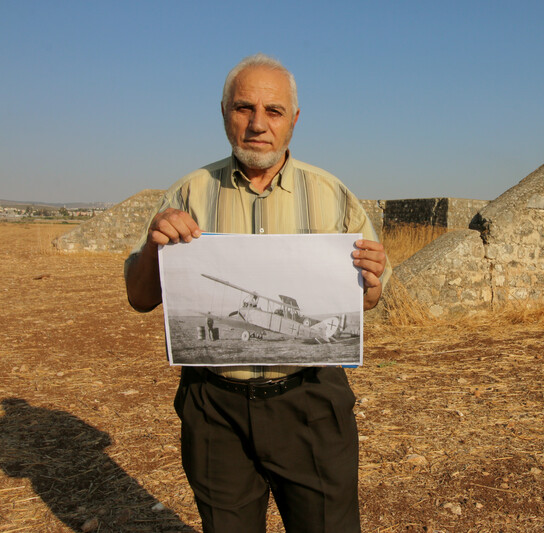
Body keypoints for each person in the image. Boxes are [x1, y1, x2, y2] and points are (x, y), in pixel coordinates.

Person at [124, 53, 389, 533]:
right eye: (244, 108)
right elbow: (140, 298)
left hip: (310, 401)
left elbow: (367, 301)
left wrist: (370, 278)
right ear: (224, 112)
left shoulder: (334, 196)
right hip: (214, 408)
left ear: (294, 120)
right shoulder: (186, 194)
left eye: (274, 111)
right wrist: (153, 242)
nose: (257, 124)